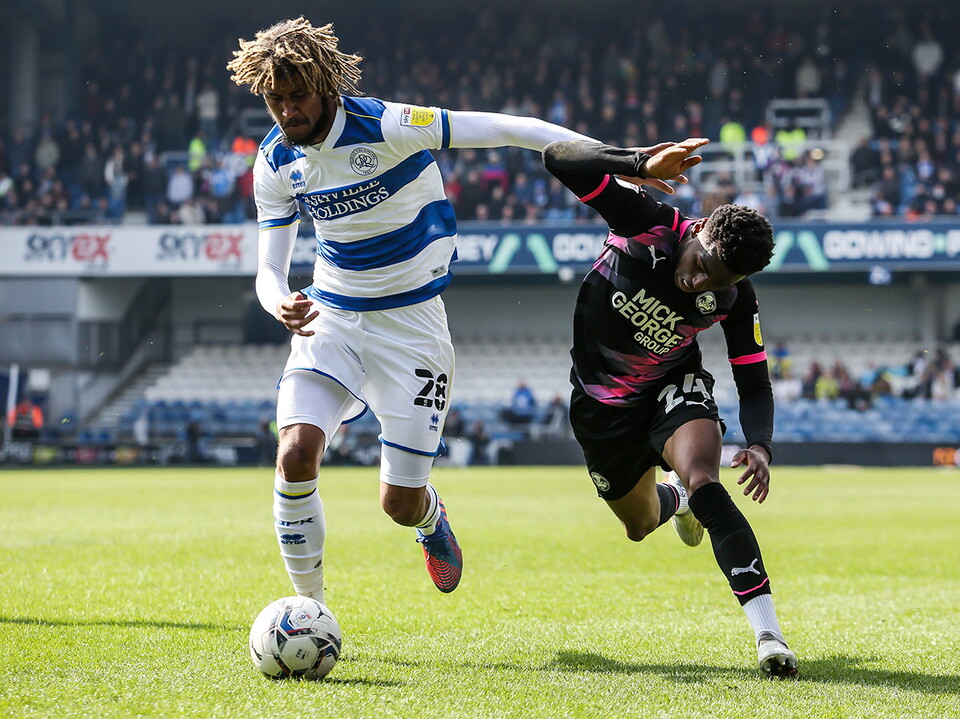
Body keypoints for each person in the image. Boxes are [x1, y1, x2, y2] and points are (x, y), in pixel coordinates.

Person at [226, 17, 608, 600]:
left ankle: (430, 521)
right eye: (274, 100)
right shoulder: (276, 162)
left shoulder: (386, 124)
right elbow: (269, 269)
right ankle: (311, 613)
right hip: (333, 317)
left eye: (296, 96)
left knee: (398, 503)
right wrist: (278, 302)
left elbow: (505, 128)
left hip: (411, 329)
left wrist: (620, 159)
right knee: (296, 454)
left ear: (326, 85)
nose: (286, 112)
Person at [542, 136, 798, 678]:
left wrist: (760, 445)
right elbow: (556, 157)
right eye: (703, 263)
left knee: (706, 476)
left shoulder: (735, 297)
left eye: (719, 280)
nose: (699, 281)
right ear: (699, 229)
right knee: (638, 525)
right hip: (601, 407)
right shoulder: (648, 221)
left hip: (670, 389)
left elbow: (753, 381)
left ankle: (768, 633)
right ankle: (674, 498)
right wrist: (635, 163)